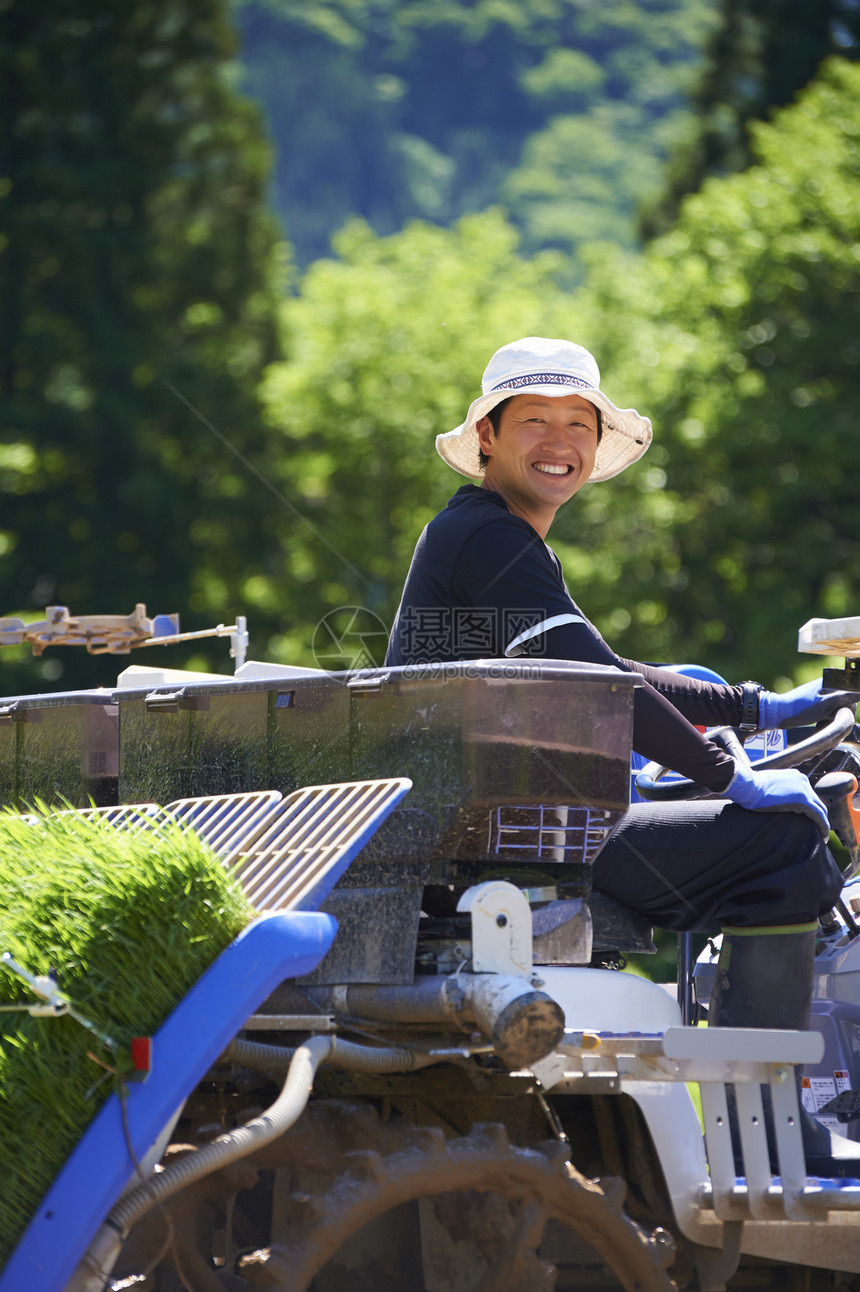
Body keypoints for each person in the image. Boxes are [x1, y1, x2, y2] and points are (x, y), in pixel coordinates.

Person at [386, 335, 859, 1171]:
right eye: (534, 420)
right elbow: (598, 681)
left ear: (600, 446)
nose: (559, 441)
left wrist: (756, 706)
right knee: (786, 844)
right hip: (506, 849)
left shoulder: (493, 537)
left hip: (507, 829)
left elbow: (608, 668)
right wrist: (730, 777)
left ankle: (758, 1117)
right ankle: (767, 1129)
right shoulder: (485, 538)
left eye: (579, 422)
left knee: (759, 823)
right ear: (488, 437)